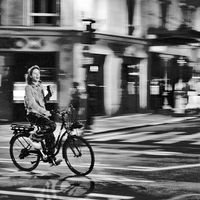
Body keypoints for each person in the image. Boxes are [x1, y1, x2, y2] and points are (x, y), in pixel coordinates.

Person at [24, 65, 62, 166]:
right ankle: (34, 137)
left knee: (51, 136)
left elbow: (42, 102)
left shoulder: (40, 87)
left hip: (40, 114)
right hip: (32, 114)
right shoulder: (28, 88)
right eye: (35, 73)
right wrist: (44, 112)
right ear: (30, 76)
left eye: (38, 73)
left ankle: (51, 157)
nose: (37, 75)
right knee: (52, 125)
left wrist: (49, 94)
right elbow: (32, 104)